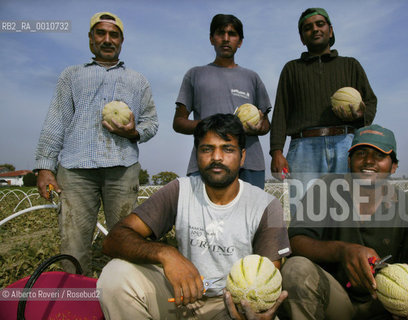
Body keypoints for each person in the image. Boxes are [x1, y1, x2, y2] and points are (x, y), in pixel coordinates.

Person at [97, 114, 290, 320]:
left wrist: (253, 313)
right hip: (180, 296)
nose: (217, 157)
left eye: (227, 149)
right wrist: (166, 254)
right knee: (116, 276)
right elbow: (114, 239)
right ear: (197, 154)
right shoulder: (180, 190)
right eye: (207, 149)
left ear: (242, 157)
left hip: (232, 307)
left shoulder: (267, 205)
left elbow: (267, 281)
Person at [281, 124, 408, 320]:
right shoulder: (326, 188)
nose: (369, 161)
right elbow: (297, 241)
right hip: (335, 302)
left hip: (384, 307)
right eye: (361, 153)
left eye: (380, 155)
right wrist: (343, 251)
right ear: (350, 160)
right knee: (296, 270)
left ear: (393, 166)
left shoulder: (407, 207)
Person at [34, 12, 158, 275]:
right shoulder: (72, 76)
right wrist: (45, 167)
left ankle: (125, 297)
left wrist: (133, 133)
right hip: (76, 169)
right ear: (91, 39)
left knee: (125, 238)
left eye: (114, 35)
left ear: (121, 41)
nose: (107, 39)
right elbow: (56, 120)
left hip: (122, 168)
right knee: (73, 243)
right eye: (100, 33)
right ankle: (77, 299)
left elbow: (152, 122)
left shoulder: (138, 80)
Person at [270, 8, 377, 193]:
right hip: (304, 147)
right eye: (307, 27)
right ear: (302, 38)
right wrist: (276, 151)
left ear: (331, 30)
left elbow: (371, 101)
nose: (315, 29)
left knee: (347, 210)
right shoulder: (291, 69)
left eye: (320, 24)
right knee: (305, 213)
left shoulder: (350, 65)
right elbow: (281, 113)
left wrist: (361, 114)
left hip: (346, 144)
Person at [173, 14, 271, 190]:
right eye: (220, 33)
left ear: (240, 41)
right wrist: (212, 126)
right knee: (205, 217)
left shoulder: (252, 77)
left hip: (249, 164)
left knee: (250, 217)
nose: (226, 39)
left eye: (232, 34)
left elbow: (266, 125)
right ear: (212, 38)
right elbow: (178, 122)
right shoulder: (195, 74)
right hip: (208, 162)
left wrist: (258, 126)